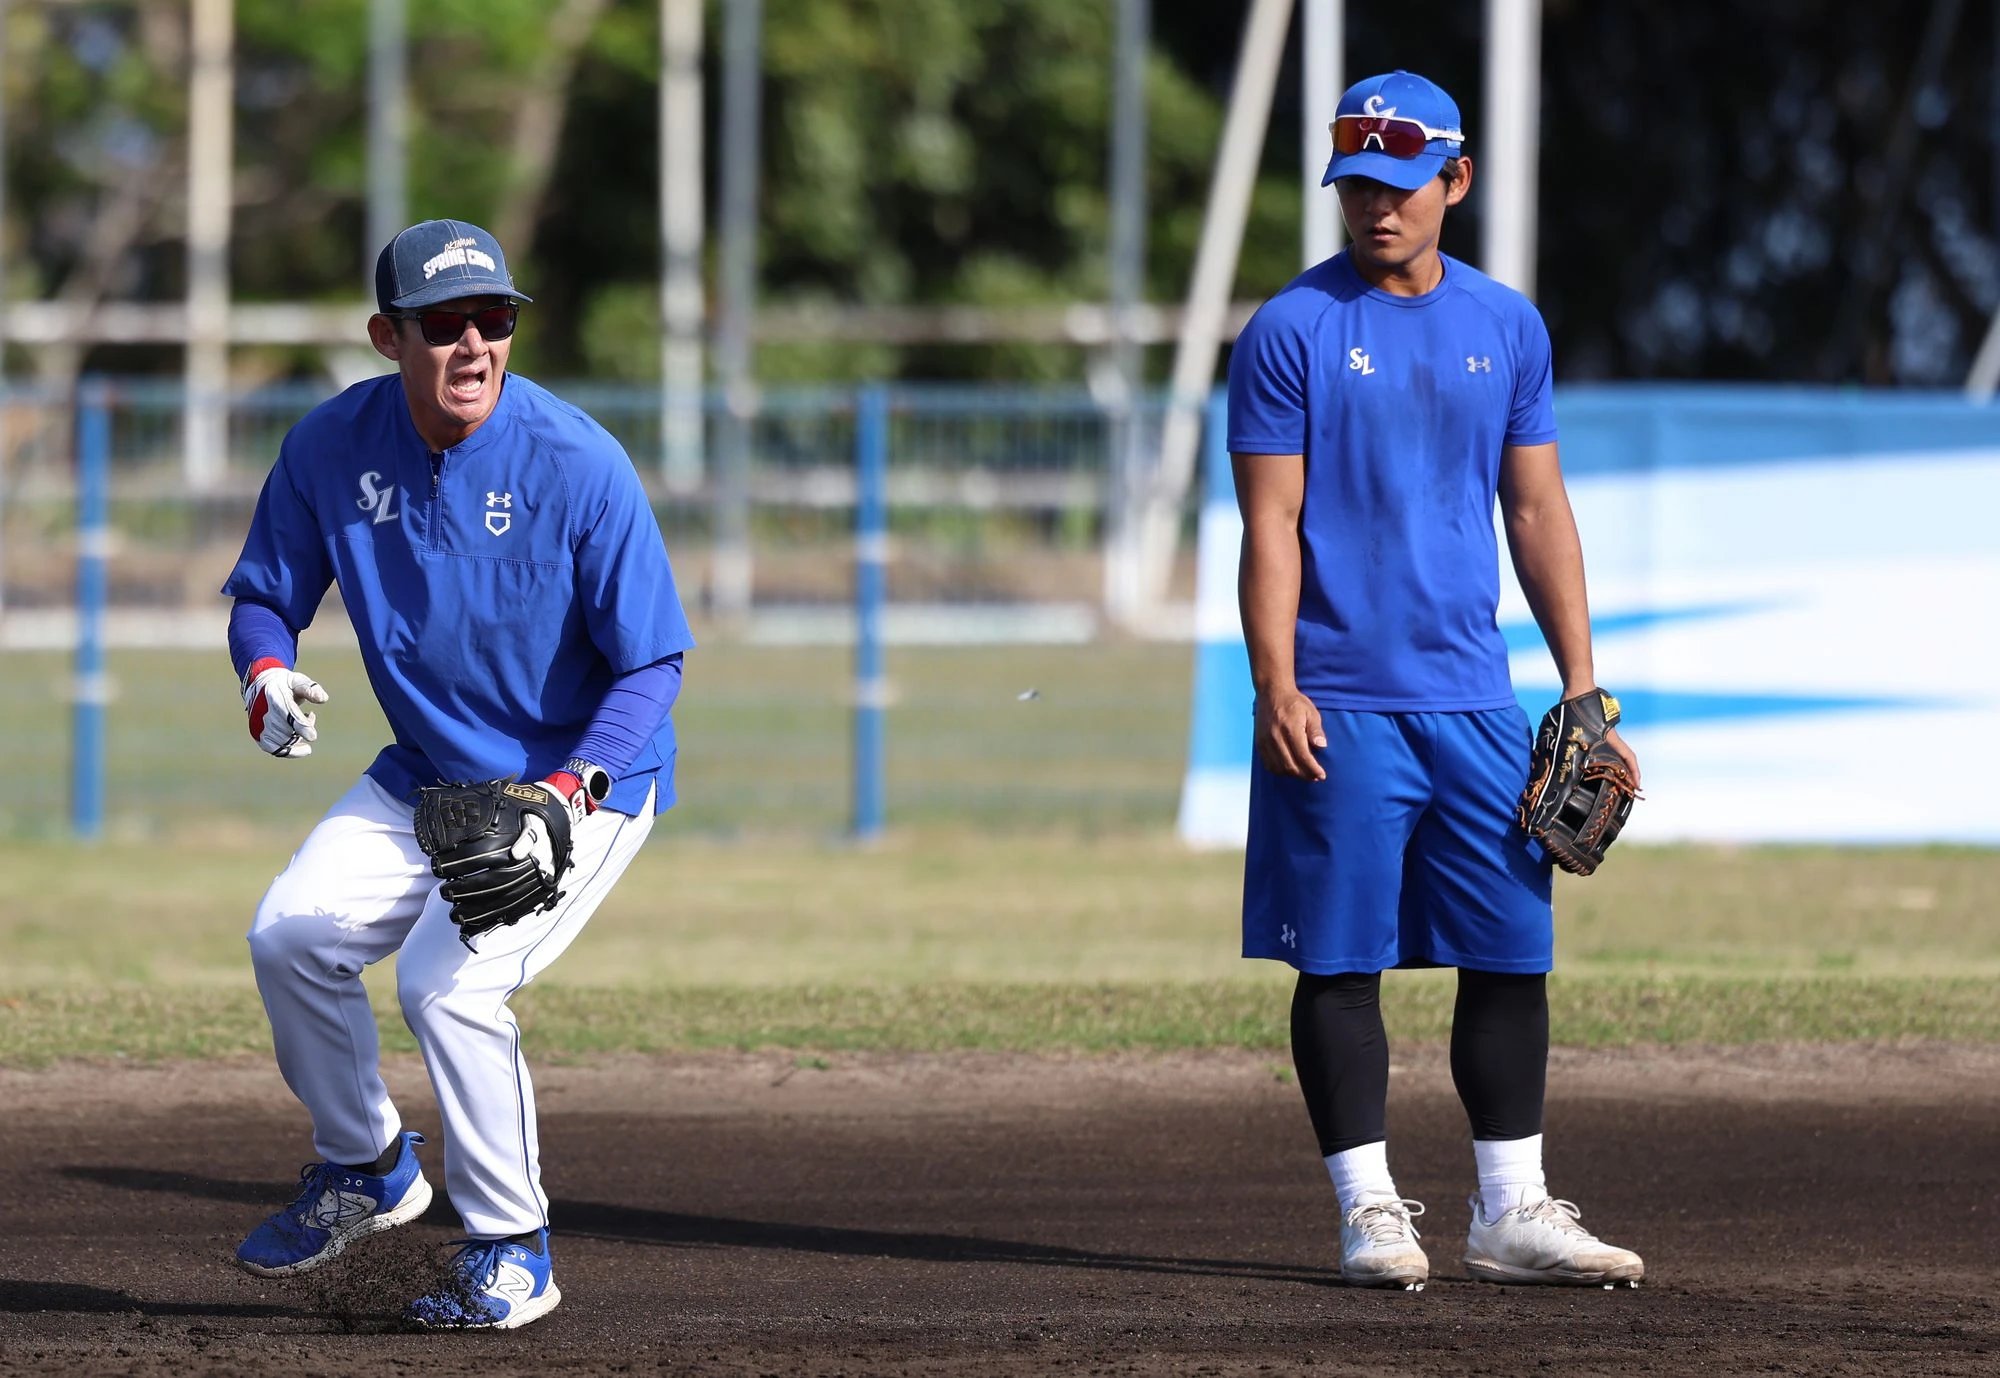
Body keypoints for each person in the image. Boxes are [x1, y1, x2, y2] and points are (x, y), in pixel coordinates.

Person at [221, 219, 694, 1328]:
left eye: (495, 317)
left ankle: (513, 1249)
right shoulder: (330, 446)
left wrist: (569, 792)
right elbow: (264, 595)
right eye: (445, 323)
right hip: (426, 773)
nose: (475, 342)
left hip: (577, 781)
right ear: (388, 337)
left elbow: (653, 664)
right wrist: (264, 671)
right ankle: (368, 1168)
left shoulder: (577, 462)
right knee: (289, 935)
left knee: (447, 985)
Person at [1227, 71, 1644, 1291]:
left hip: (1473, 701)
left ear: (1453, 180)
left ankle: (1510, 1211)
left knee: (1511, 952)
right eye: (1355, 185)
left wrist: (1578, 686)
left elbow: (1535, 507)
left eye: (1399, 185)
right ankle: (1368, 1213)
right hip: (1338, 701)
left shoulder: (1506, 325)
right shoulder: (1290, 329)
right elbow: (1268, 525)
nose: (1376, 206)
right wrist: (1274, 679)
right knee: (1338, 960)